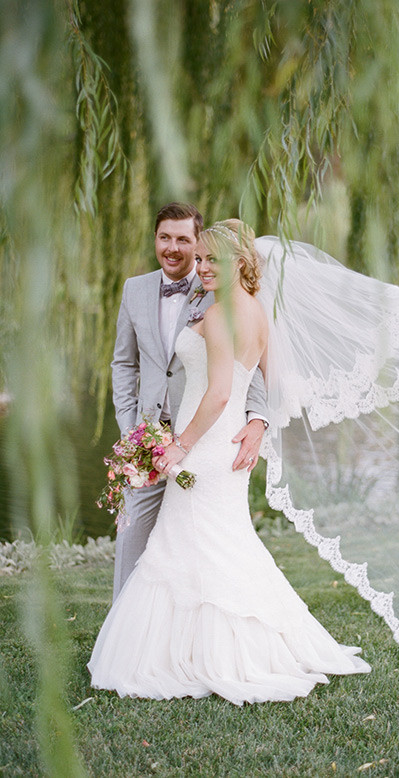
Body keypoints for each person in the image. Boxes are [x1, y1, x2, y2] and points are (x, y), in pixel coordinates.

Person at [88, 219, 371, 703]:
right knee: (222, 546)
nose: (200, 267)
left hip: (202, 444)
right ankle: (248, 644)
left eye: (209, 259)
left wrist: (181, 444)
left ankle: (193, 654)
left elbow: (220, 393)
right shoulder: (257, 312)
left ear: (240, 260)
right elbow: (266, 374)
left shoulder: (220, 316)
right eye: (199, 259)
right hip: (220, 447)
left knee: (183, 548)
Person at [111, 203, 268, 599]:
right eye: (165, 237)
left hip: (203, 435)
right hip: (147, 435)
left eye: (184, 239)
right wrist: (131, 429)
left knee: (196, 540)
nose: (174, 248)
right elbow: (123, 363)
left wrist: (258, 418)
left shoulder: (219, 290)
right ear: (155, 239)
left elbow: (252, 367)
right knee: (133, 537)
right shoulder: (134, 289)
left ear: (198, 241)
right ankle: (123, 628)